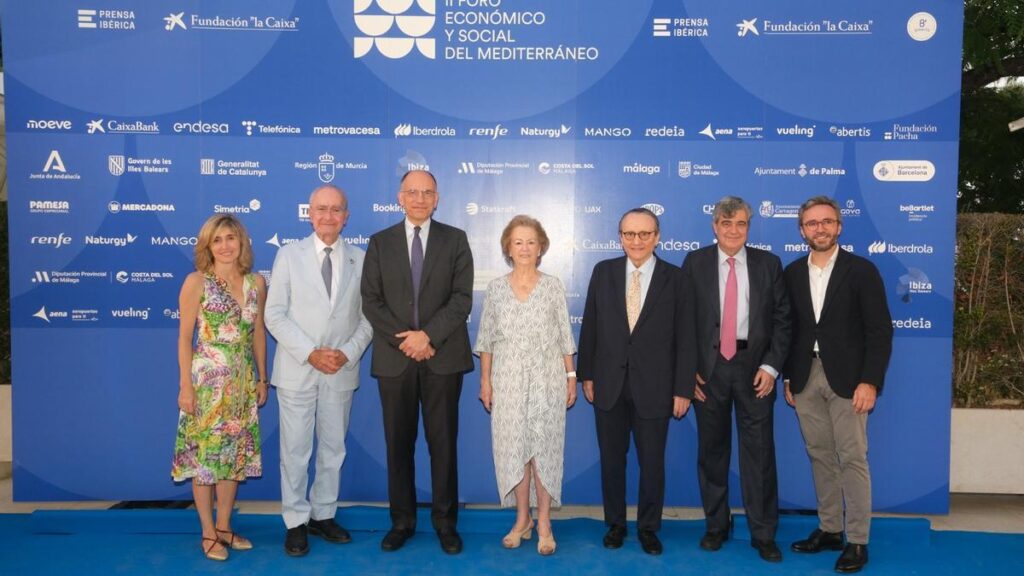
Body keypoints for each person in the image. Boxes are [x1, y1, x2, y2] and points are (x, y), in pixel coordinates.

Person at [361, 170, 474, 555]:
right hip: (396, 360)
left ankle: (445, 523)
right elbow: (371, 302)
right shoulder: (379, 243)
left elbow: (461, 299)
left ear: (437, 198)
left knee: (443, 445)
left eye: (427, 192)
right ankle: (402, 522)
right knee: (398, 445)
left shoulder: (455, 240)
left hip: (443, 357)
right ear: (400, 197)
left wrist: (429, 336)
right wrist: (409, 341)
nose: (420, 198)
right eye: (413, 192)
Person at [783, 196, 893, 574]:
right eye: (812, 223)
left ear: (839, 226)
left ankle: (858, 540)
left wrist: (870, 381)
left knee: (852, 458)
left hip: (850, 381)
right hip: (804, 377)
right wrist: (787, 376)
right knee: (820, 455)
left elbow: (879, 331)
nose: (820, 228)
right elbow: (790, 329)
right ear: (802, 230)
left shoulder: (862, 270)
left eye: (827, 221)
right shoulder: (792, 273)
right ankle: (830, 529)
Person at [679, 196, 791, 562]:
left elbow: (782, 321)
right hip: (708, 372)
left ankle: (763, 533)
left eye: (740, 224)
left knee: (759, 456)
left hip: (754, 369)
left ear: (748, 226)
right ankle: (716, 526)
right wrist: (688, 371)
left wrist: (772, 367)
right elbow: (682, 323)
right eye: (726, 224)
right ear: (714, 226)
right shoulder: (694, 263)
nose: (733, 230)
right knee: (712, 453)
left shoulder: (768, 264)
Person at [264, 184, 372, 557]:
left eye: (336, 209)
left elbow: (369, 319)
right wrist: (311, 353)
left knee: (333, 448)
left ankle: (323, 515)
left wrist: (346, 353)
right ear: (309, 213)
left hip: (341, 369)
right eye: (321, 209)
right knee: (294, 450)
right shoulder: (288, 256)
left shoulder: (361, 259)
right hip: (298, 368)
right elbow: (273, 314)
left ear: (346, 216)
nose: (328, 216)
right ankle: (295, 521)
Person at [578, 207, 691, 556]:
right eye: (629, 234)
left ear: (657, 237)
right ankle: (615, 524)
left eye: (644, 234)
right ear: (620, 237)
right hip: (608, 384)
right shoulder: (604, 272)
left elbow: (687, 337)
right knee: (612, 460)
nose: (637, 241)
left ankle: (648, 527)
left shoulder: (677, 278)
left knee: (652, 463)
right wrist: (587, 374)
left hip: (656, 387)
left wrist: (683, 388)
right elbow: (591, 326)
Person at [475, 215, 577, 556]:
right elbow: (487, 339)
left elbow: (565, 335)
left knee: (544, 451)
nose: (524, 248)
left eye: (531, 242)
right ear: (508, 247)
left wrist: (570, 377)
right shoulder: (496, 289)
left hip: (548, 378)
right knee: (516, 451)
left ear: (541, 247)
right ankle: (522, 520)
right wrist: (485, 381)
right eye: (518, 242)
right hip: (506, 382)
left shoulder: (552, 286)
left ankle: (544, 521)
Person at [172, 214, 268, 561]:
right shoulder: (197, 281)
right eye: (218, 240)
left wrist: (262, 377)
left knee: (232, 458)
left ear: (241, 242)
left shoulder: (256, 283)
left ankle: (225, 526)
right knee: (206, 460)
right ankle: (207, 532)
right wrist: (186, 385)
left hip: (242, 384)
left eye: (231, 238)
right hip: (208, 385)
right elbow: (184, 337)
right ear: (207, 246)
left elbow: (258, 333)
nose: (225, 245)